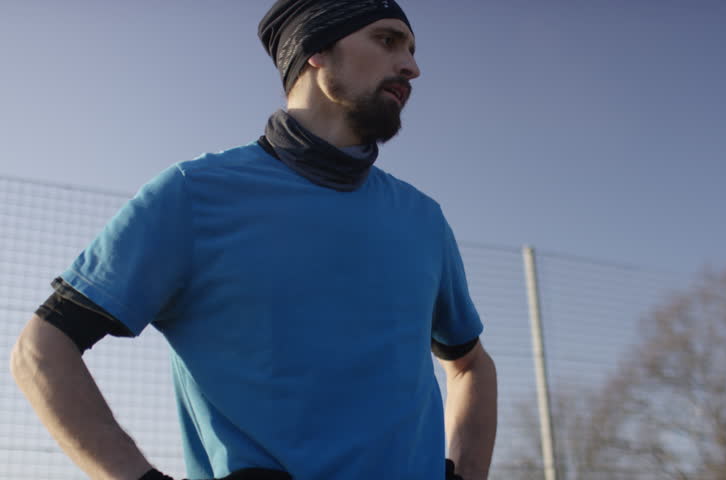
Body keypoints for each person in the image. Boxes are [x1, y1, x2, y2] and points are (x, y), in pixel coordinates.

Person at [9, 1, 498, 479]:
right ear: (316, 50)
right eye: (388, 40)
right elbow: (42, 347)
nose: (411, 67)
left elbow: (470, 365)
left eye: (411, 48)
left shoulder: (423, 220)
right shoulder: (193, 194)